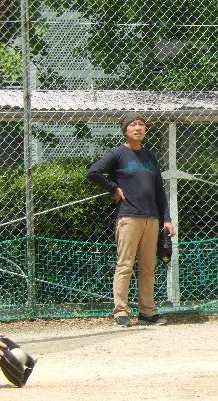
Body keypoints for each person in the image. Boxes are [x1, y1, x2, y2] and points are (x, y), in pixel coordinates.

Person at [87, 112, 175, 327]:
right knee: (125, 265)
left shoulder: (150, 157)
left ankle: (147, 313)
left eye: (141, 124)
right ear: (125, 130)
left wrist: (166, 218)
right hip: (128, 217)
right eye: (133, 124)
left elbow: (159, 190)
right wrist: (113, 188)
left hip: (151, 219)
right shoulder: (117, 153)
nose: (138, 128)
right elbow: (93, 172)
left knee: (148, 268)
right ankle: (121, 312)